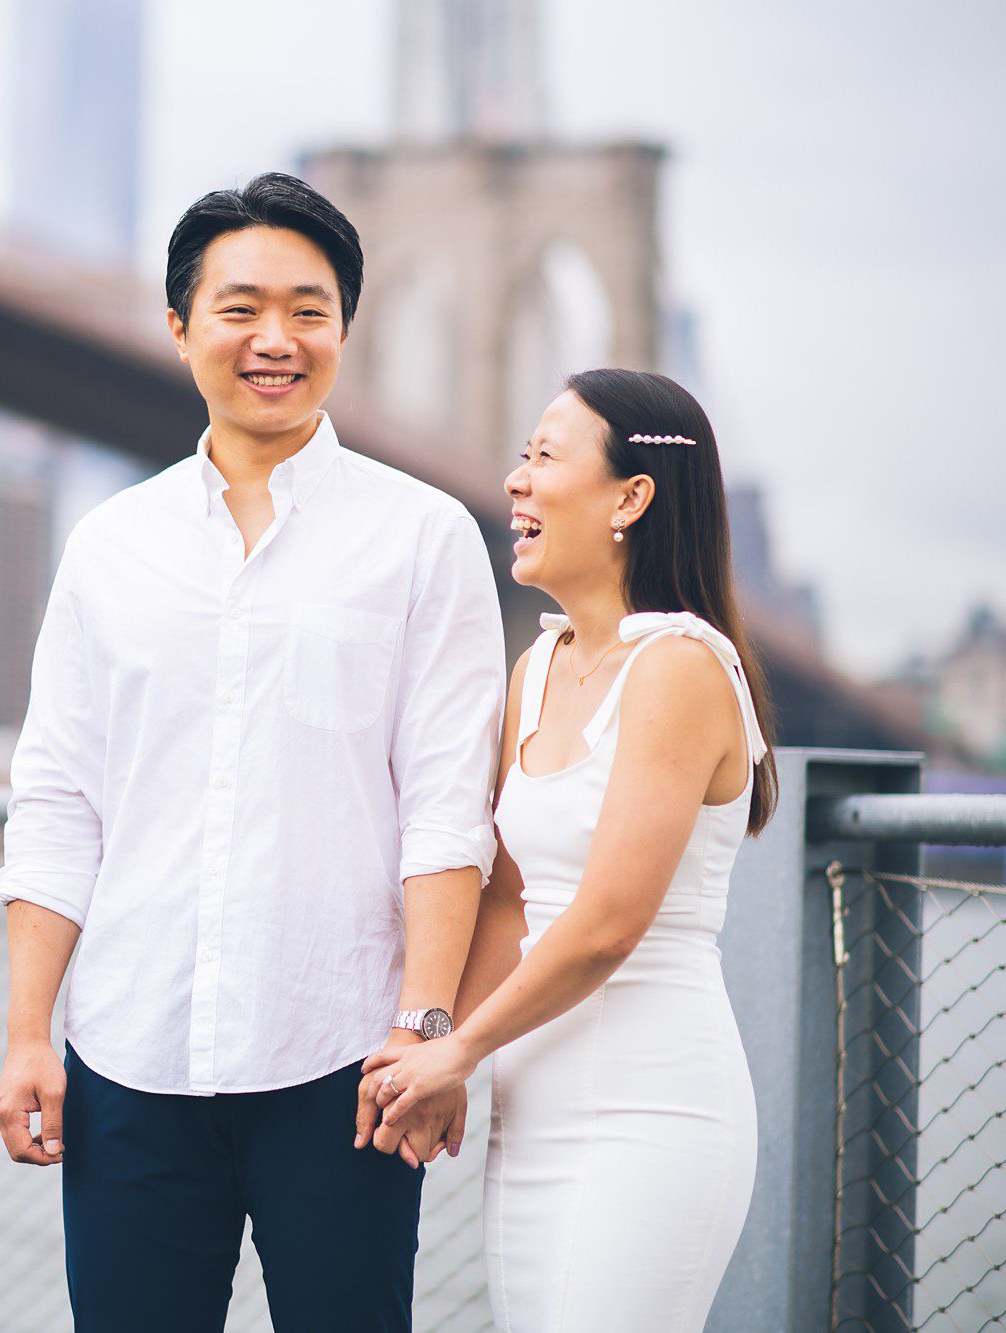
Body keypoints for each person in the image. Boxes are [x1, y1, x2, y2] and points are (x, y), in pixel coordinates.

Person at [0, 172, 505, 1331]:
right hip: (127, 1058)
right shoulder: (107, 546)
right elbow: (59, 798)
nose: (274, 339)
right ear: (179, 330)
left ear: (342, 330)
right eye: (238, 308)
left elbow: (443, 806)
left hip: (346, 1062)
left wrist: (427, 1032)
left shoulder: (420, 539)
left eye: (307, 310)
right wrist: (28, 1034)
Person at [367, 369, 773, 1330]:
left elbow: (604, 925)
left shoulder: (678, 667)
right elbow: (511, 899)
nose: (516, 480)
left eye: (546, 456)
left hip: (652, 1109)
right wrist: (439, 1047)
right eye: (523, 454)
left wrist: (459, 1049)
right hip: (532, 1100)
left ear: (631, 497)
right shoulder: (538, 666)